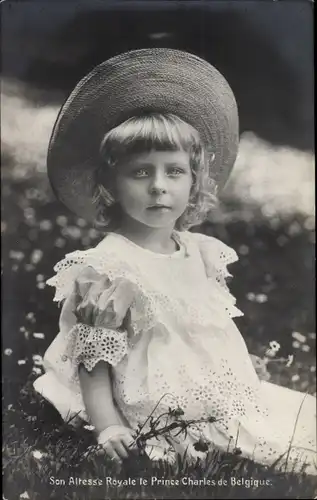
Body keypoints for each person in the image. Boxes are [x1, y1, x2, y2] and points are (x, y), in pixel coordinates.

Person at [33, 48, 316, 474]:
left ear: (194, 180)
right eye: (141, 173)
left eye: (174, 172)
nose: (159, 188)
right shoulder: (108, 268)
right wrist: (108, 426)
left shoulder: (197, 252)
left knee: (294, 420)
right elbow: (93, 361)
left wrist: (230, 365)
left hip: (209, 385)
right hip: (155, 403)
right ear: (109, 183)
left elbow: (204, 327)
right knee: (258, 445)